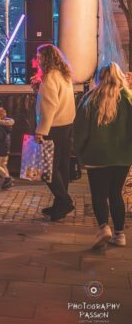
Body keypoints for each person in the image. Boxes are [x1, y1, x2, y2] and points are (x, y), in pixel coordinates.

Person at [74, 62, 132, 249]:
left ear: (100, 77)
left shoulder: (90, 98)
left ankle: (103, 227)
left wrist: (79, 152)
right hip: (122, 156)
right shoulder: (128, 98)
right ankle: (119, 234)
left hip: (96, 155)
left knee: (99, 194)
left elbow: (80, 130)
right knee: (116, 193)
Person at [33, 44, 77, 221]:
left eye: (39, 57)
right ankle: (59, 206)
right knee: (61, 167)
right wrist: (38, 89)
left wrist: (41, 131)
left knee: (47, 169)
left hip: (53, 127)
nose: (37, 60)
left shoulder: (50, 76)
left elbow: (49, 106)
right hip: (66, 126)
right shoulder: (63, 75)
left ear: (47, 58)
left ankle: (65, 201)